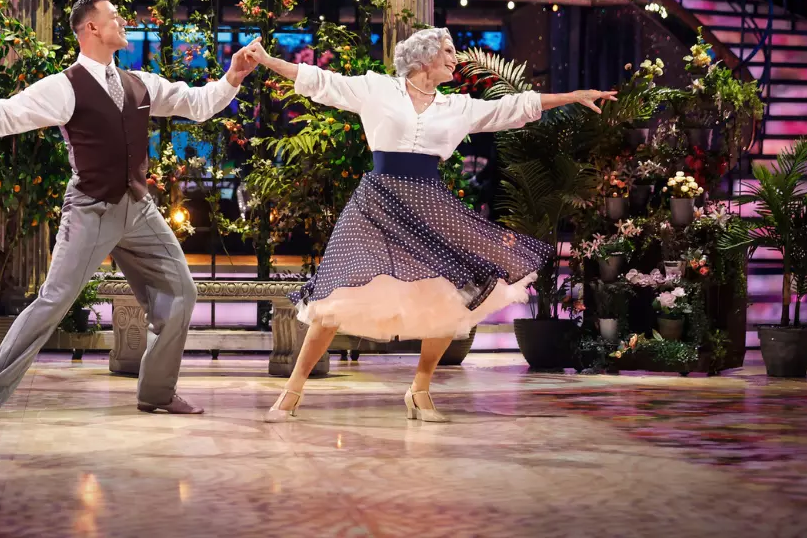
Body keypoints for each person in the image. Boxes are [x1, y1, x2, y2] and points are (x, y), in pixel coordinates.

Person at [0, 0, 259, 420]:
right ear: (91, 28)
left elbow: (198, 104)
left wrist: (232, 77)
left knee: (181, 290)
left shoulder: (140, 83)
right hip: (90, 209)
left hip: (138, 208)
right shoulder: (65, 86)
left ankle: (157, 393)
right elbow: (10, 113)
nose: (123, 22)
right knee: (53, 300)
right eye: (114, 17)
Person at [242, 29, 617, 423]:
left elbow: (513, 107)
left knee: (449, 298)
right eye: (449, 51)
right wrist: (267, 61)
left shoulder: (456, 108)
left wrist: (573, 97)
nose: (457, 58)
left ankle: (419, 391)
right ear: (424, 56)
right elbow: (319, 82)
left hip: (428, 204)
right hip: (376, 202)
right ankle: (292, 391)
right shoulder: (377, 89)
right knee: (336, 296)